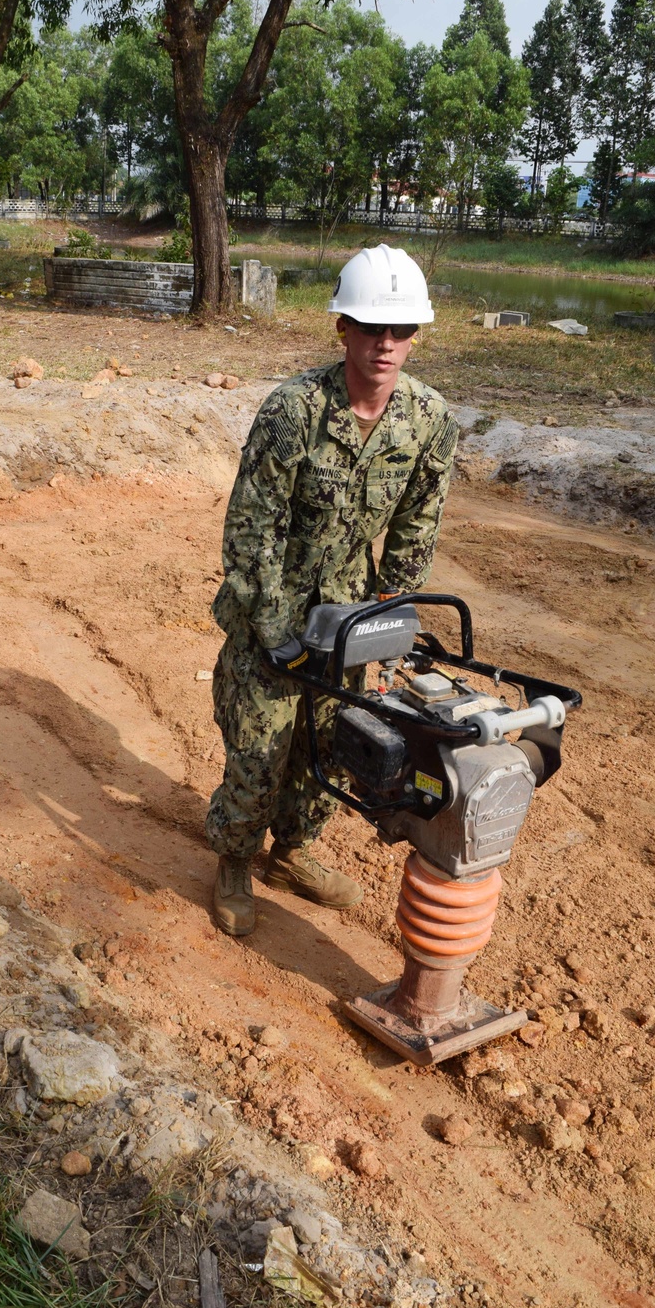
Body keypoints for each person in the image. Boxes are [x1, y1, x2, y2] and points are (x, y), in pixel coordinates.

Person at [206, 244, 459, 937]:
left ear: (415, 336)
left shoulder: (429, 421)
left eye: (400, 330)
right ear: (342, 328)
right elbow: (250, 532)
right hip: (274, 604)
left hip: (350, 609)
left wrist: (390, 615)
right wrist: (278, 629)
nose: (385, 344)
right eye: (371, 327)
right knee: (261, 746)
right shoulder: (293, 412)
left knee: (331, 743)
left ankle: (292, 850)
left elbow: (416, 527)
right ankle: (233, 857)